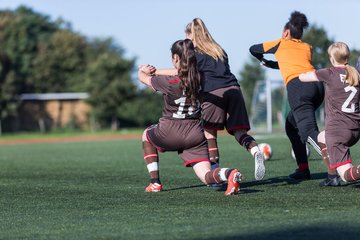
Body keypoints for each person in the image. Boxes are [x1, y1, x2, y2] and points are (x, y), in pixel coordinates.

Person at [139, 39, 242, 196]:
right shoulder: (202, 78)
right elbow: (184, 72)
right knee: (207, 177)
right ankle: (229, 174)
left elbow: (143, 78)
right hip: (195, 135)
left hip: (169, 132)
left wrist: (143, 70)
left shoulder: (169, 82)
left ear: (175, 58)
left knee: (146, 135)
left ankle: (155, 183)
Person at [249, 11, 328, 180]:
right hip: (317, 85)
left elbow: (253, 49)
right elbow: (291, 63)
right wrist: (270, 64)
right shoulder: (307, 47)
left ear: (286, 32)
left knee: (308, 132)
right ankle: (303, 168)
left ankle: (339, 159)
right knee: (292, 126)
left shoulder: (280, 43)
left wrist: (261, 59)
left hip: (299, 87)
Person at [185, 18, 266, 181]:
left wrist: (156, 73)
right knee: (239, 132)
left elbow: (185, 74)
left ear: (191, 36)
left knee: (209, 133)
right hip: (234, 89)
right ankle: (256, 151)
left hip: (214, 93)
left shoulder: (193, 53)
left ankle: (215, 171)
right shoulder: (219, 50)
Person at [299, 42, 360, 186]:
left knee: (346, 175)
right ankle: (332, 177)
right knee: (321, 136)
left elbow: (303, 77)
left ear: (332, 59)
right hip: (355, 129)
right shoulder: (356, 74)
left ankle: (339, 176)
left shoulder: (329, 73)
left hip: (338, 132)